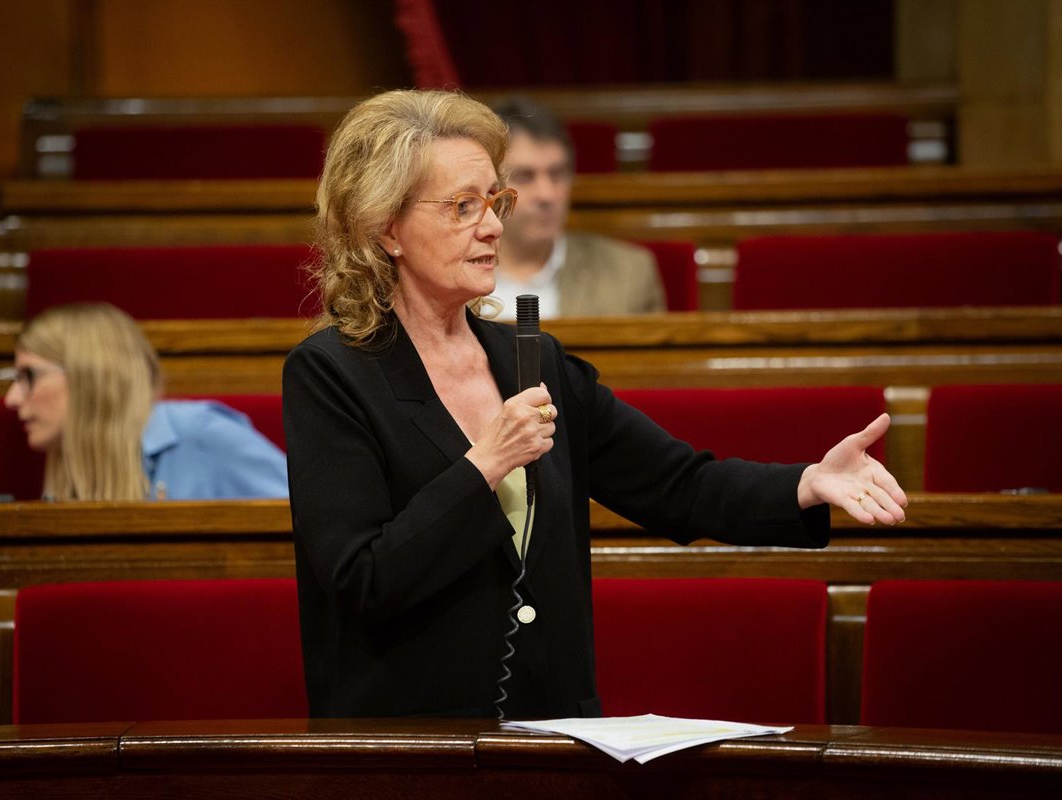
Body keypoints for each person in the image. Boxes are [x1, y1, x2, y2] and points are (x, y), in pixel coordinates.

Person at [282, 89, 907, 720]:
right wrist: (485, 465)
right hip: (409, 745)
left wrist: (807, 483)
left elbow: (678, 484)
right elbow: (362, 579)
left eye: (495, 201)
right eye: (463, 206)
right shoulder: (332, 374)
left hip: (553, 732)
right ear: (387, 227)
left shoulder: (534, 359)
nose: (494, 226)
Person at [5, 302, 288, 501]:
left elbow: (303, 524)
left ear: (90, 377)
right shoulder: (68, 460)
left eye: (28, 376)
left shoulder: (201, 434)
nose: (11, 399)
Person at [489, 96, 666, 319]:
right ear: (492, 186)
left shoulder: (628, 272)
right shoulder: (456, 275)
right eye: (525, 176)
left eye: (557, 174)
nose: (547, 194)